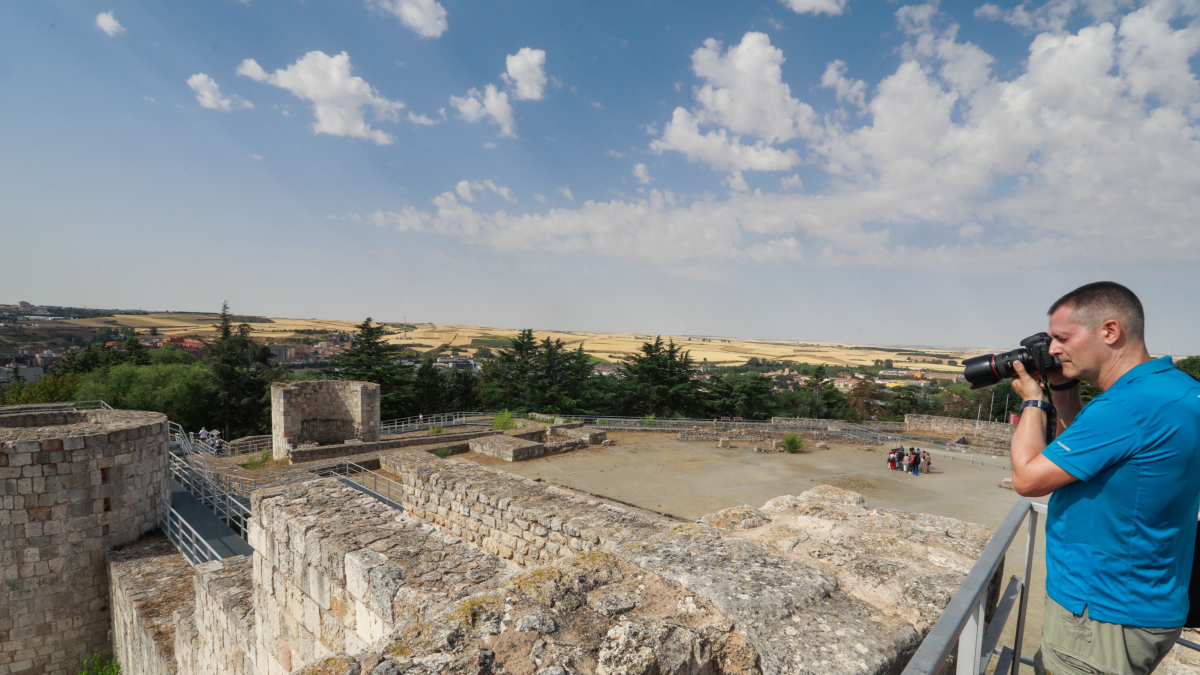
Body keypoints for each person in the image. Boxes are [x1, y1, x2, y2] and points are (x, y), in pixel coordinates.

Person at [1009, 282, 1200, 675]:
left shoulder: (1127, 407)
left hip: (1099, 612)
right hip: (1150, 597)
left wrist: (1033, 401)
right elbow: (1089, 455)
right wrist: (1063, 390)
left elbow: (1028, 479)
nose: (1054, 349)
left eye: (1061, 338)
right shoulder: (1179, 390)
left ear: (1110, 331)